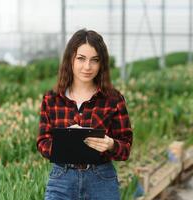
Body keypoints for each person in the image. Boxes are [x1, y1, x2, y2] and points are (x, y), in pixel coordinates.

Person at [37, 28, 133, 200]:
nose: (87, 67)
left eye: (94, 60)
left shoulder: (113, 99)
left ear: (101, 64)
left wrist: (111, 144)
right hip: (62, 179)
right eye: (81, 59)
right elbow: (42, 143)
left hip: (101, 179)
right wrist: (66, 141)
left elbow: (125, 148)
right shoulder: (52, 99)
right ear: (70, 60)